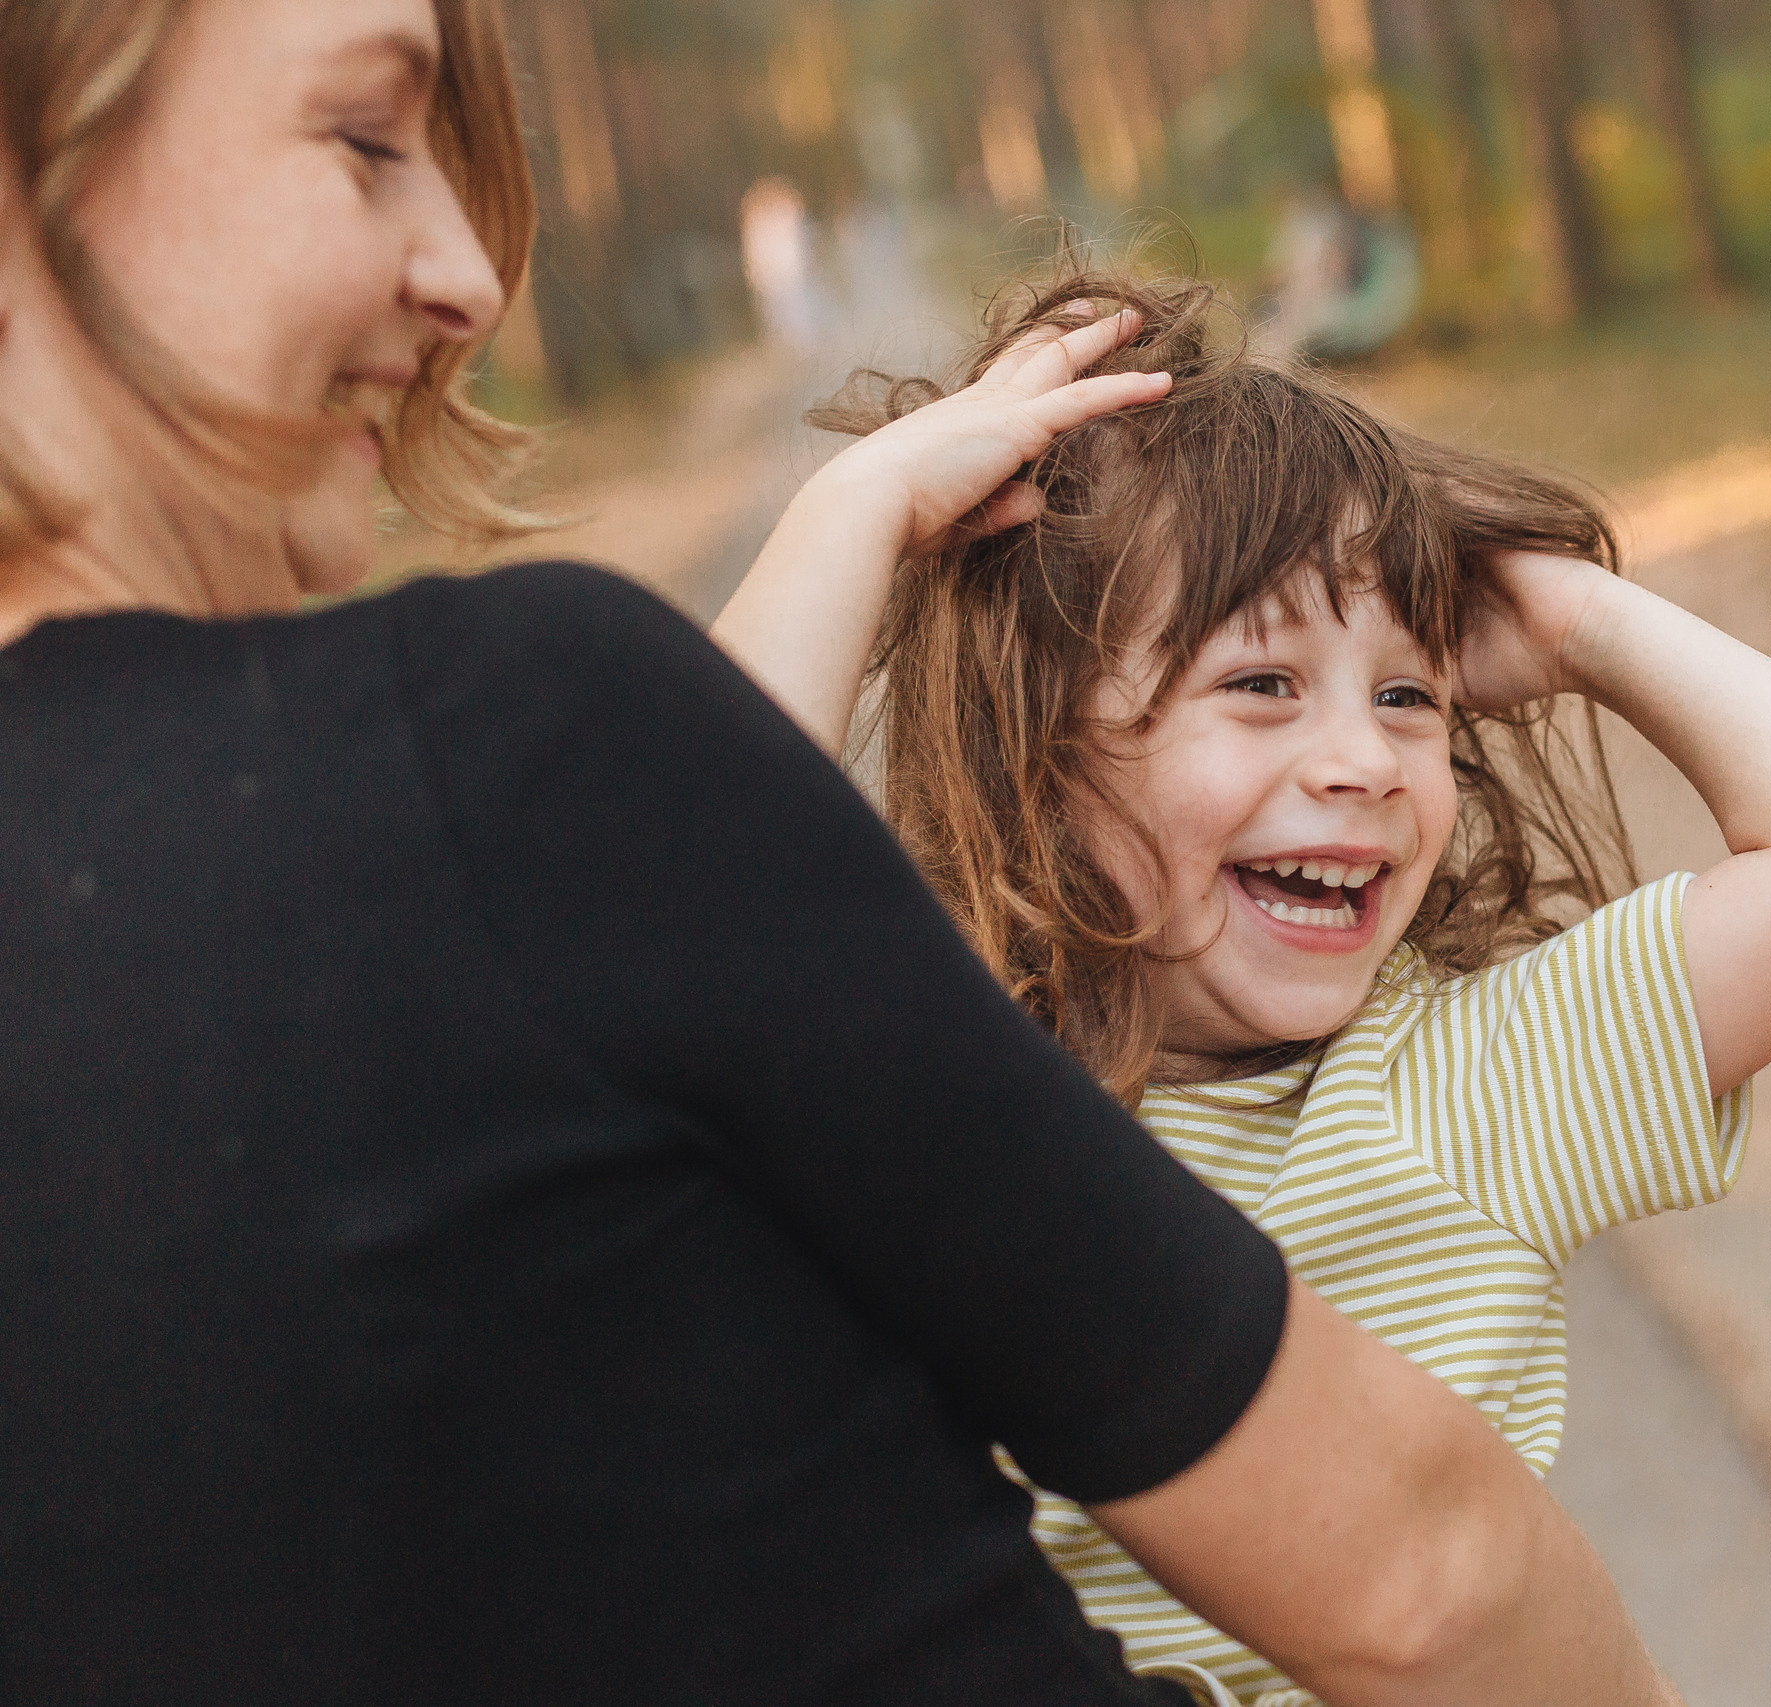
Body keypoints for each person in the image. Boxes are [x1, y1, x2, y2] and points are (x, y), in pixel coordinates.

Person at [0, 3, 1680, 1703]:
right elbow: (1425, 1573)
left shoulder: (485, 827)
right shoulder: (495, 753)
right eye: (365, 140)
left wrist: (849, 519)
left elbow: (596, 930)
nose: (466, 277)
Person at [712, 268, 1771, 1704]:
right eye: (1262, 684)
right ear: (1040, 739)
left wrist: (1570, 623)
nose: (1363, 760)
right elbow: (690, 892)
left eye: (1409, 695)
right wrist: (858, 510)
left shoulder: (1474, 1083)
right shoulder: (940, 1084)